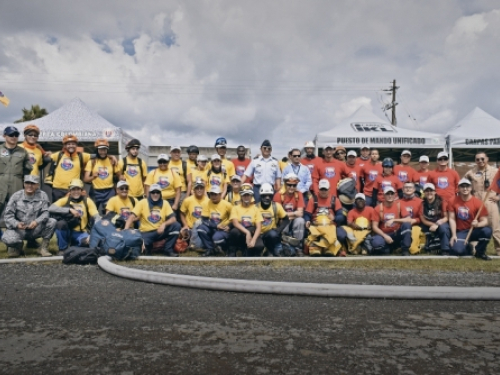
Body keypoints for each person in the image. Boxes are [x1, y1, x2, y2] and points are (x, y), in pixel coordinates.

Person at [3, 175, 56, 258]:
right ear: (24, 184)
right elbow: (8, 216)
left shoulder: (43, 195)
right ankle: (18, 247)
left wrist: (37, 221)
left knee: (52, 221)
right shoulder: (16, 196)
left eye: (33, 183)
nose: (30, 186)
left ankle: (43, 248)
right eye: (27, 183)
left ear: (37, 185)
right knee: (8, 238)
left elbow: (46, 213)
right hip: (20, 230)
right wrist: (17, 224)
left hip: (35, 228)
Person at [124, 183, 181, 257]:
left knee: (176, 225)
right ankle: (148, 247)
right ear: (150, 193)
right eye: (153, 192)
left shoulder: (165, 203)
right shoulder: (143, 202)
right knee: (143, 251)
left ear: (160, 193)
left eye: (157, 192)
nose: (155, 194)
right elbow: (132, 216)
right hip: (146, 233)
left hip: (160, 231)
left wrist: (164, 224)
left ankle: (168, 249)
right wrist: (125, 230)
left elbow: (173, 218)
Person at [463, 152, 500, 256]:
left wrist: (498, 197)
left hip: (490, 201)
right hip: (476, 203)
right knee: (476, 226)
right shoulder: (471, 173)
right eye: (478, 159)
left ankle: (499, 249)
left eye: (482, 159)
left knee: (495, 227)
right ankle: (475, 249)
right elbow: (463, 185)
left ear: (487, 159)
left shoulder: (495, 171)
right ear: (475, 161)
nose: (480, 161)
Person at [49, 178, 99, 254]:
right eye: (73, 189)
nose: (76, 192)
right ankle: (63, 249)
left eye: (78, 189)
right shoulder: (65, 200)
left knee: (87, 244)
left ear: (81, 190)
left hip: (81, 232)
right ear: (70, 191)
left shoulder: (87, 201)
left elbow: (97, 217)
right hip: (68, 231)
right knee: (60, 224)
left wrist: (92, 235)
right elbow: (51, 208)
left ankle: (74, 245)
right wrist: (69, 210)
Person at [448, 178, 492, 260]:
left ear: (471, 188)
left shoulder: (477, 202)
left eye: (467, 186)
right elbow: (452, 219)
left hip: (475, 230)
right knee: (458, 251)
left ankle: (480, 252)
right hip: (461, 231)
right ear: (458, 188)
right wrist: (453, 235)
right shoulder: (452, 201)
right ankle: (469, 247)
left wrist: (477, 224)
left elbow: (485, 221)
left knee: (487, 231)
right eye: (462, 186)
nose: (465, 189)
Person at [304, 179, 344, 257]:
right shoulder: (313, 200)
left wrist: (334, 218)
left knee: (342, 235)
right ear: (318, 189)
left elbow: (341, 216)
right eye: (321, 189)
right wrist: (307, 220)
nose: (323, 191)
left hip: (330, 226)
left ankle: (329, 248)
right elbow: (307, 214)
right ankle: (316, 247)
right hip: (317, 227)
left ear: (329, 189)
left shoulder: (335, 200)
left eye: (325, 189)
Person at [0, 126, 33, 218]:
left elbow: (27, 170)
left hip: (16, 185)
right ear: (4, 136)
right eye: (11, 135)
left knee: (18, 214)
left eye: (16, 135)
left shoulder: (23, 152)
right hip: (1, 183)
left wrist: (25, 186)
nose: (14, 137)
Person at [47, 134, 91, 202]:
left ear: (76, 145)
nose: (71, 146)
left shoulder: (81, 156)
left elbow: (98, 156)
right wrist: (45, 153)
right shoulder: (59, 155)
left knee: (72, 210)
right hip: (58, 189)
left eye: (73, 144)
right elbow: (44, 158)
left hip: (74, 189)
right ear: (64, 146)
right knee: (57, 210)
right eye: (68, 144)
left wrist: (110, 157)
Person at [371, 186, 412, 256]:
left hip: (396, 233)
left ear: (394, 195)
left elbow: (409, 219)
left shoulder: (399, 205)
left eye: (392, 194)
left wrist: (394, 220)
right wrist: (384, 236)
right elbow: (374, 226)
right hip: (384, 234)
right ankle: (389, 249)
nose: (390, 196)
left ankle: (405, 250)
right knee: (376, 243)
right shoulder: (378, 208)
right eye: (388, 194)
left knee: (407, 225)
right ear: (384, 195)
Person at [227, 183, 264, 257]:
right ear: (241, 196)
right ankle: (232, 250)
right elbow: (235, 223)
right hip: (241, 232)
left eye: (248, 195)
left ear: (251, 196)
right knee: (234, 232)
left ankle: (249, 251)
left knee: (259, 246)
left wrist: (253, 240)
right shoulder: (235, 208)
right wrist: (247, 232)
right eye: (244, 195)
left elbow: (259, 227)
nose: (246, 197)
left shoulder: (256, 209)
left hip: (252, 231)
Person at [274, 173, 306, 255]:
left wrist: (288, 214)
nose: (292, 187)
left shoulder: (299, 194)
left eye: (294, 185)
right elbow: (278, 214)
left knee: (300, 221)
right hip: (283, 220)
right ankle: (285, 245)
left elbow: (300, 213)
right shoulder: (279, 195)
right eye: (289, 185)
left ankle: (298, 247)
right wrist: (294, 213)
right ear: (285, 184)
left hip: (293, 220)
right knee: (284, 221)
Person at [197, 185, 233, 256]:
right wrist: (216, 226)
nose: (213, 196)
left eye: (215, 194)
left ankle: (226, 249)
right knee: (200, 229)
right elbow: (204, 220)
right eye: (212, 194)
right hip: (212, 227)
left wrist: (229, 226)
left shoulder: (227, 205)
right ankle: (210, 249)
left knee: (216, 239)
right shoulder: (206, 203)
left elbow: (234, 218)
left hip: (223, 229)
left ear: (220, 194)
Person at [84, 138, 117, 213]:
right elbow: (86, 179)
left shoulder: (111, 160)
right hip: (96, 192)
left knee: (110, 215)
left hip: (109, 192)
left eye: (104, 149)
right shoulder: (92, 162)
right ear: (97, 150)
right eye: (100, 150)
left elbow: (117, 174)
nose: (103, 152)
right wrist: (93, 177)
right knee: (92, 214)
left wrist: (113, 156)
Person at [256, 183, 289, 257]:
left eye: (269, 196)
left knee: (273, 235)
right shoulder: (255, 207)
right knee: (257, 248)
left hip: (270, 234)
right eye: (265, 195)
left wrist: (279, 230)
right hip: (258, 234)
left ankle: (273, 249)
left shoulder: (276, 206)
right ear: (261, 196)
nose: (267, 198)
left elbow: (286, 219)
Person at [419, 183, 451, 254]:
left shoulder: (442, 202)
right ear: (424, 193)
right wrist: (432, 225)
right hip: (429, 224)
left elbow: (446, 217)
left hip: (441, 222)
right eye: (427, 191)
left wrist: (437, 224)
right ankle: (430, 248)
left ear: (435, 192)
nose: (429, 192)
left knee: (443, 228)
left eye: (431, 191)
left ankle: (445, 250)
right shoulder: (422, 204)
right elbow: (423, 219)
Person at [180, 177, 209, 250]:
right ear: (194, 189)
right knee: (182, 233)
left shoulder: (208, 201)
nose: (199, 190)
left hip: (202, 228)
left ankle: (196, 243)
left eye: (201, 188)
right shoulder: (187, 200)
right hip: (190, 228)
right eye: (197, 188)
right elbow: (181, 213)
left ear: (204, 189)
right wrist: (185, 225)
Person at [399, 181, 424, 254]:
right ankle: (404, 249)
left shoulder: (420, 202)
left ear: (414, 189)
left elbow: (422, 217)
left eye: (410, 187)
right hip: (402, 227)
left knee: (413, 250)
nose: (408, 189)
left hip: (416, 226)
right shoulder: (398, 202)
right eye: (406, 187)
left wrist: (415, 220)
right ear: (403, 190)